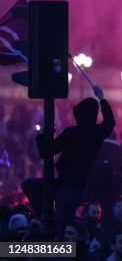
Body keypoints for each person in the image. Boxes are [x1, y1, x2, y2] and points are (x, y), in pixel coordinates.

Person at [22, 85, 115, 228]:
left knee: (28, 185)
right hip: (81, 189)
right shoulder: (98, 133)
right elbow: (110, 121)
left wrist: (40, 138)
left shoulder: (72, 133)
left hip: (64, 188)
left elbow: (46, 152)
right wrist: (101, 98)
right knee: (69, 228)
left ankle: (43, 216)